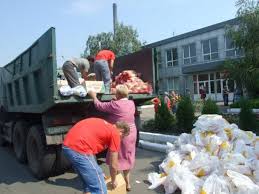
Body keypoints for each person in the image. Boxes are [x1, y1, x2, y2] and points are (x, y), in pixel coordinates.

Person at [62, 117, 130, 194]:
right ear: (121, 131)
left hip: (68, 146)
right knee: (100, 188)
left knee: (88, 184)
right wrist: (114, 180)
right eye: (123, 137)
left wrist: (96, 168)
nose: (121, 139)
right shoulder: (115, 133)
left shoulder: (105, 126)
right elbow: (114, 164)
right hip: (79, 148)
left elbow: (91, 153)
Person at [88, 84, 136, 192]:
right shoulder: (131, 103)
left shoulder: (114, 105)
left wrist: (94, 96)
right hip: (131, 133)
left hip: (119, 134)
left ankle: (117, 182)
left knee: (116, 158)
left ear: (118, 94)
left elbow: (99, 106)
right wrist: (117, 100)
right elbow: (121, 105)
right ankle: (128, 184)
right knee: (127, 156)